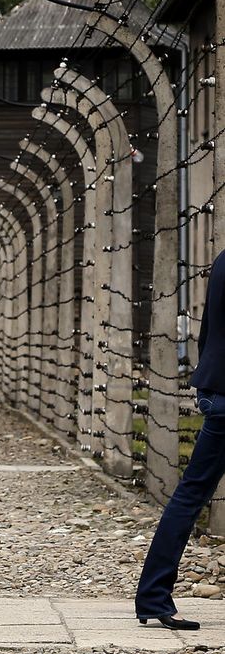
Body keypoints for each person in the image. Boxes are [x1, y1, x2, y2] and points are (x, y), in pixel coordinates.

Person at [135, 248, 225, 630]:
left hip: (216, 386)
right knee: (190, 494)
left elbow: (208, 330)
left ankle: (154, 596)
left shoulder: (223, 258)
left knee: (190, 494)